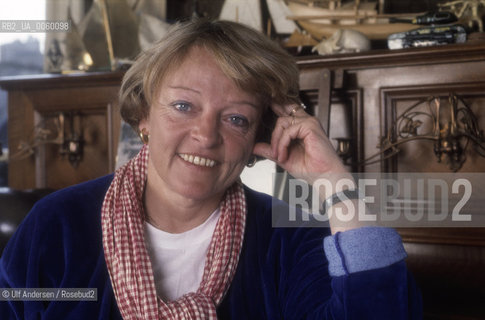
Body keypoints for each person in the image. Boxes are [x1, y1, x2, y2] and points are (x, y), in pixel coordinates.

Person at [0, 19, 422, 319]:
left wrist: (334, 183)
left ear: (262, 134)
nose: (206, 135)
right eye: (183, 106)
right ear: (144, 117)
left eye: (235, 118)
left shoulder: (290, 239)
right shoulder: (55, 226)